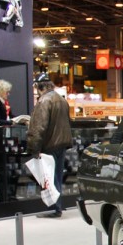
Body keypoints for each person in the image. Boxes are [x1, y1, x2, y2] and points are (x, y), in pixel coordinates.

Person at [28, 72, 73, 218]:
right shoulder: (61, 100)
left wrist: (34, 148)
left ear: (39, 87)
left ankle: (54, 208)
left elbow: (39, 127)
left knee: (49, 179)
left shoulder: (44, 101)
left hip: (49, 145)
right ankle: (57, 206)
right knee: (57, 177)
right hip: (62, 144)